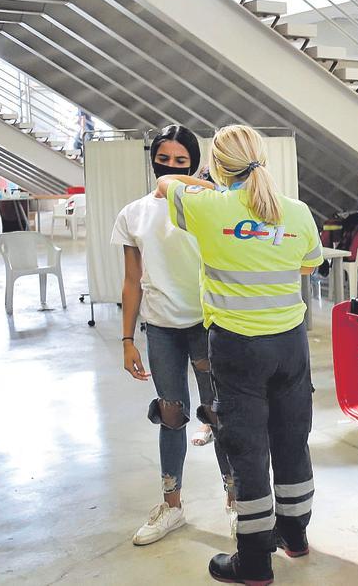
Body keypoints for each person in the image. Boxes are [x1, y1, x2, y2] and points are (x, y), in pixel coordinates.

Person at [156, 125, 322, 584]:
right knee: (292, 439)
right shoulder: (297, 211)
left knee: (248, 452)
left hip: (236, 349)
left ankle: (253, 561)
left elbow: (164, 184)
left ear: (217, 165)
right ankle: (294, 536)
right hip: (290, 344)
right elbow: (308, 263)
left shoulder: (208, 208)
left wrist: (205, 182)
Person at [113, 125, 233, 546]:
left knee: (218, 415)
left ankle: (235, 503)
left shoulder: (209, 205)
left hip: (206, 324)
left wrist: (189, 184)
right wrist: (127, 339)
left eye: (182, 161)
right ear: (153, 161)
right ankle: (173, 506)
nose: (170, 166)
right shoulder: (133, 213)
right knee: (171, 417)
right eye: (164, 159)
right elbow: (131, 280)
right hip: (161, 327)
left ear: (195, 164)